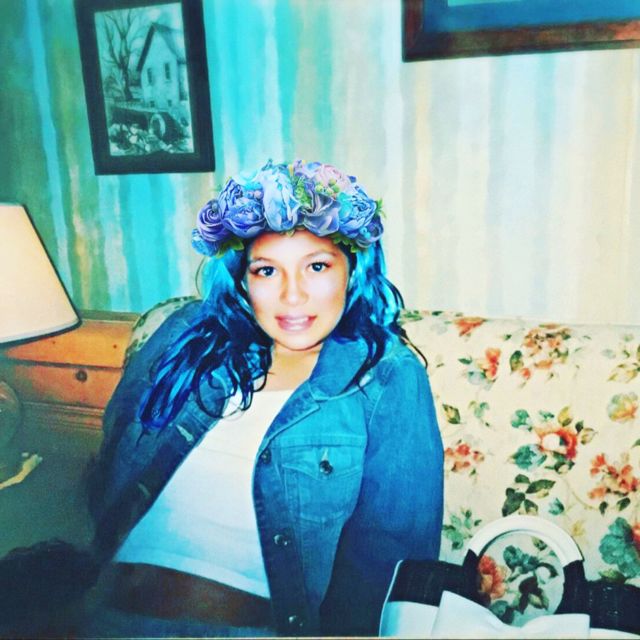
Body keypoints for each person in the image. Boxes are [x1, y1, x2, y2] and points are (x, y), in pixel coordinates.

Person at [84, 159, 444, 637]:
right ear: (243, 280)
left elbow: (390, 560)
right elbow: (112, 460)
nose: (292, 296)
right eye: (267, 270)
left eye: (317, 266)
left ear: (352, 270)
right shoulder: (184, 336)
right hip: (96, 618)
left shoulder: (386, 378)